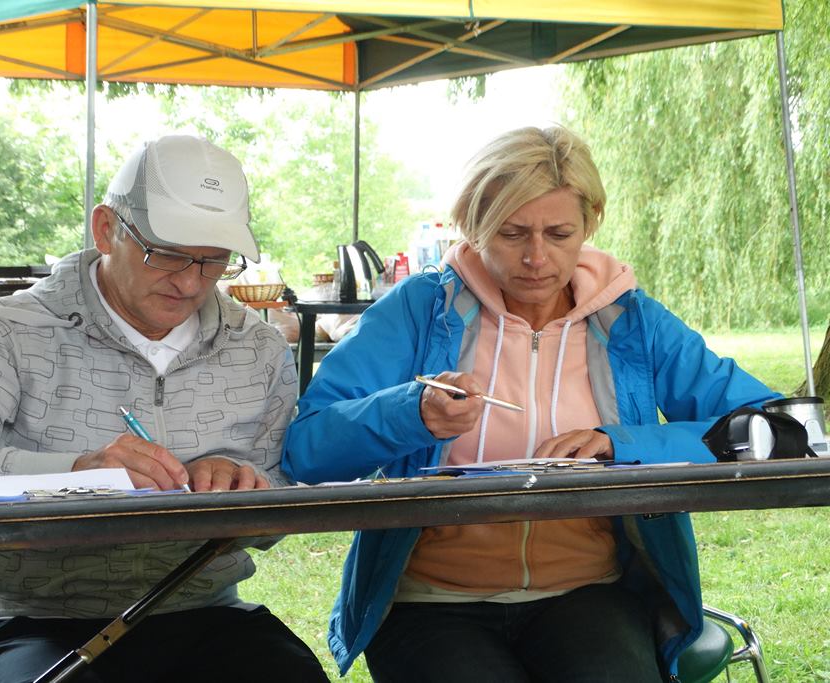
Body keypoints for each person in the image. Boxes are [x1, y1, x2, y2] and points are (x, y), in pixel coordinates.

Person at [282, 126, 780, 682]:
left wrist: (622, 445)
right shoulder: (420, 311)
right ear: (473, 226)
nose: (537, 258)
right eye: (512, 233)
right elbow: (308, 449)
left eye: (560, 233)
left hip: (589, 590)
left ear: (590, 222)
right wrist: (412, 412)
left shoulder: (630, 322)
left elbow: (771, 425)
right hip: (430, 601)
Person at [0, 135, 328, 683]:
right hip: (34, 619)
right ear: (106, 229)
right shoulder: (10, 332)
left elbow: (274, 501)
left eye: (214, 260)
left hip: (205, 610)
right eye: (166, 253)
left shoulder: (257, 347)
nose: (190, 281)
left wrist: (244, 484)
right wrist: (75, 474)